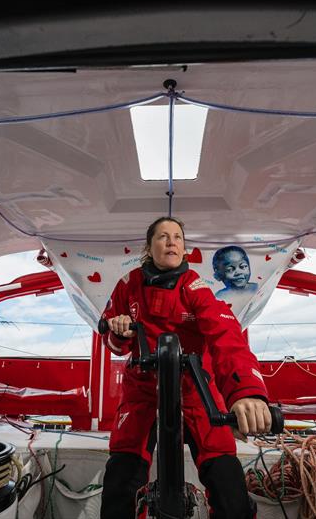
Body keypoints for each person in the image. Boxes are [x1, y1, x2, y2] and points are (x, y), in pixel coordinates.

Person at [100, 216, 271, 519]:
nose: (171, 242)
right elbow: (117, 346)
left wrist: (245, 391)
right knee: (120, 477)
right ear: (149, 247)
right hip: (142, 390)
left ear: (184, 248)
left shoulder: (195, 287)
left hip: (196, 390)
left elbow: (226, 337)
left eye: (177, 237)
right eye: (163, 236)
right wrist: (118, 330)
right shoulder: (128, 285)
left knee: (227, 482)